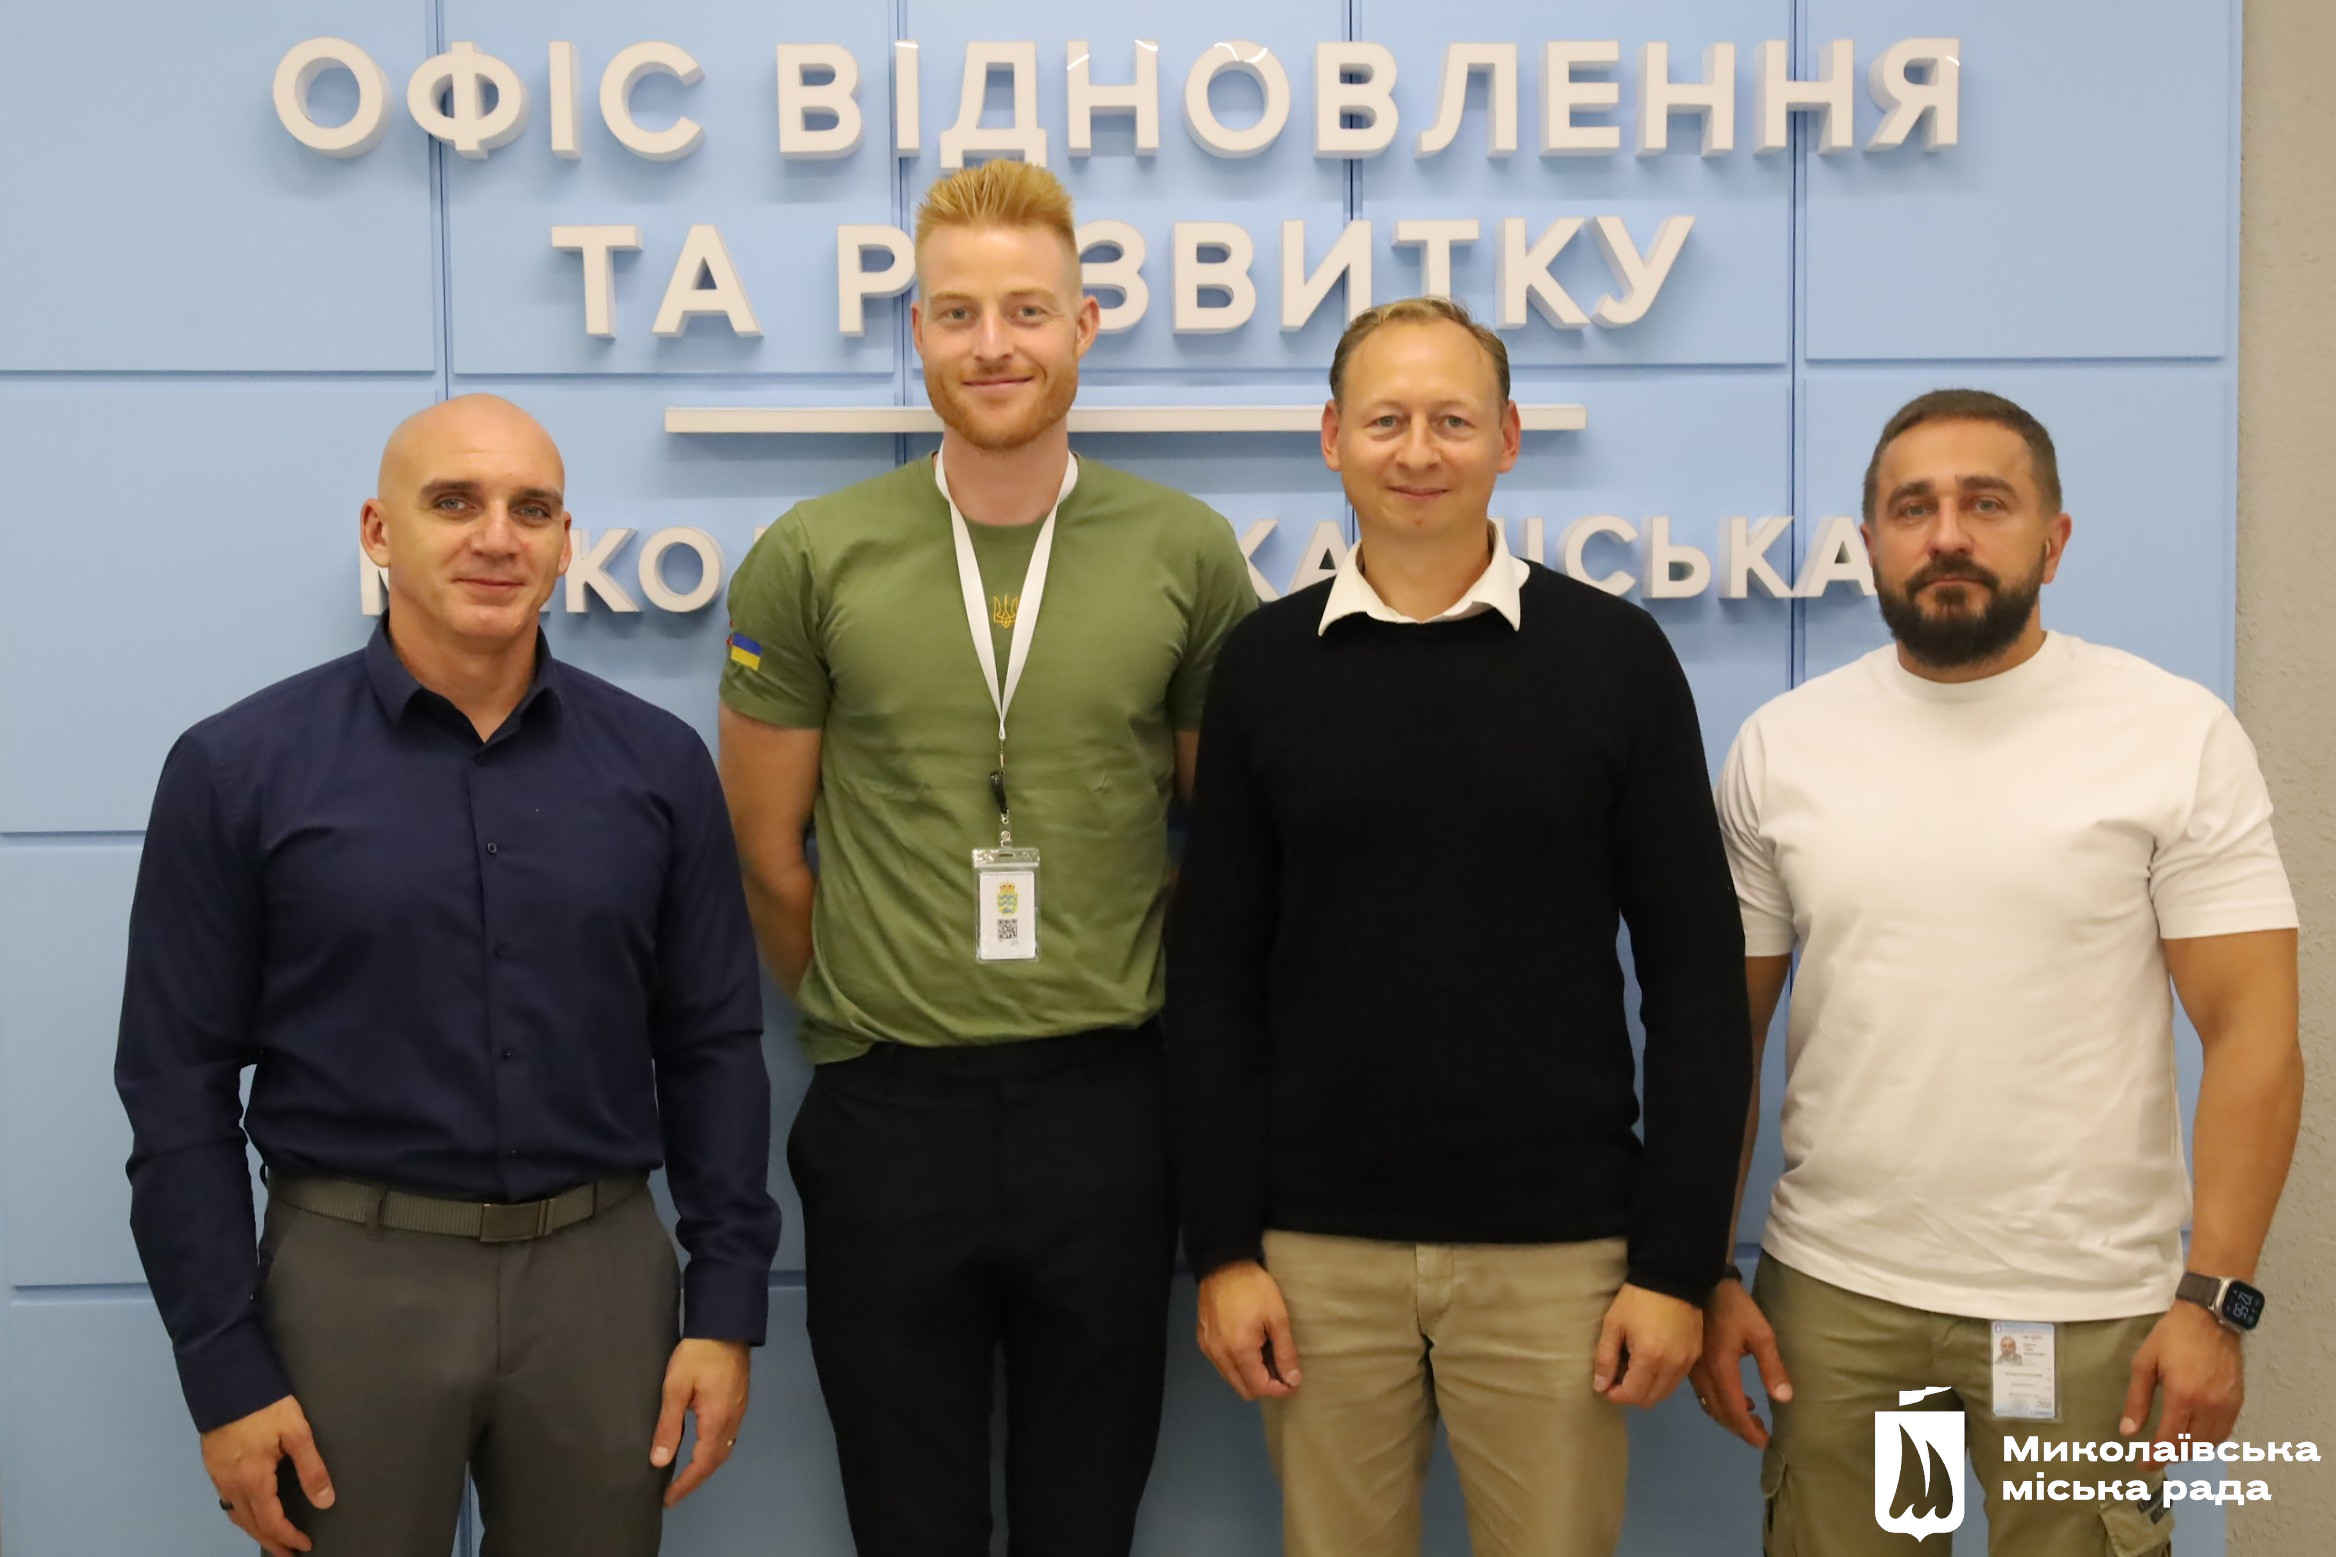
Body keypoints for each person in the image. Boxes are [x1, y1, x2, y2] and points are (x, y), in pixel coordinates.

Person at [114, 394, 782, 1557]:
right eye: (454, 502)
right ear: (380, 531)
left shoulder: (657, 767)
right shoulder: (238, 768)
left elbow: (713, 1048)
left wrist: (724, 1306)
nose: (496, 538)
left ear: (565, 544)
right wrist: (222, 1366)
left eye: (532, 509)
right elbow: (175, 1086)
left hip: (601, 1282)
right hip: (349, 1282)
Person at [716, 159, 1257, 1557]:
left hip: (1111, 1111)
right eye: (957, 314)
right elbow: (769, 852)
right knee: (909, 1525)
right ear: (918, 333)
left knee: (1086, 1522)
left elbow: (1229, 842)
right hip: (888, 1115)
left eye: (1026, 309)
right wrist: (870, 1002)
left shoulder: (1186, 551)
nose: (993, 345)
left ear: (1084, 324)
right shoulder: (814, 552)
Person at [1167, 296, 1754, 1557]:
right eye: (1385, 421)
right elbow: (1210, 979)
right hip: (1314, 1257)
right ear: (1331, 438)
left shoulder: (1614, 658)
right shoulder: (1264, 667)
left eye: (1451, 420)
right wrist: (1222, 1248)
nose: (1417, 452)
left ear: (1508, 438)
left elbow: (1696, 981)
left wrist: (1674, 1265)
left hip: (1560, 1255)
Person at [1691, 389, 2302, 1556]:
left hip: (2081, 1321)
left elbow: (2253, 1035)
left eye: (1985, 504)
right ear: (1868, 543)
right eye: (1911, 508)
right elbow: (1725, 1041)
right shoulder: (1785, 746)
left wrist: (2214, 1301)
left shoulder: (2168, 734)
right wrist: (1708, 1267)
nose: (1946, 536)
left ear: (2051, 540)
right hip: (1845, 1313)